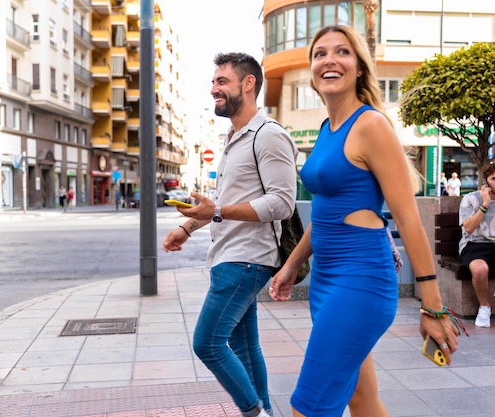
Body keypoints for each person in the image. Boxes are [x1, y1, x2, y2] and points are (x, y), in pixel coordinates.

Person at [268, 25, 461, 417]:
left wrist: (433, 308)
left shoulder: (370, 125)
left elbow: (408, 221)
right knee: (362, 399)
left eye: (342, 52)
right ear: (312, 71)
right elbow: (326, 214)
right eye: (320, 54)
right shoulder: (326, 130)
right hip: (325, 279)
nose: (329, 60)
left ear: (359, 67)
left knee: (307, 408)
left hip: (361, 280)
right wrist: (291, 265)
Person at [162, 52, 298, 417]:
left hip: (247, 258)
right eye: (213, 82)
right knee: (243, 345)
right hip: (230, 256)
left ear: (248, 83)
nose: (213, 89)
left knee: (207, 342)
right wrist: (188, 227)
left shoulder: (268, 136)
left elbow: (282, 203)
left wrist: (216, 211)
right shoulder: (234, 137)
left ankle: (254, 413)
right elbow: (223, 201)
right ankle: (265, 411)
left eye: (221, 82)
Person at [459, 163, 495, 327]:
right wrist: (485, 204)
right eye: (494, 178)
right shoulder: (471, 199)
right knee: (480, 269)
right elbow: (468, 227)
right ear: (486, 181)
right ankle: (484, 307)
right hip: (474, 244)